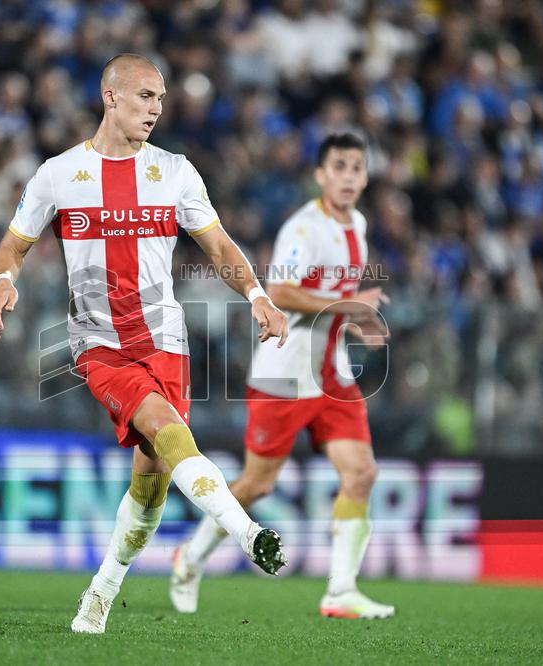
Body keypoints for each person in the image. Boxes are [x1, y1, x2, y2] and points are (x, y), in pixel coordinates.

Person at [0, 53, 289, 634]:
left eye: (162, 99)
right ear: (110, 97)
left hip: (165, 341)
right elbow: (12, 246)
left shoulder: (175, 171)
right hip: (100, 346)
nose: (156, 109)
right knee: (172, 433)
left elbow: (219, 248)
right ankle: (247, 532)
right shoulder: (59, 173)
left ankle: (100, 593)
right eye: (146, 96)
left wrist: (258, 297)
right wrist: (2, 282)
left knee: (150, 490)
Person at [170, 133, 395, 620]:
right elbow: (281, 291)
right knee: (256, 484)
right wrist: (348, 307)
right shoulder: (303, 228)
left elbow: (334, 304)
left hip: (331, 375)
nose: (349, 176)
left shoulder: (357, 223)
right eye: (339, 166)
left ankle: (340, 591)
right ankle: (190, 559)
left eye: (357, 167)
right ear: (320, 174)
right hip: (283, 376)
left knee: (361, 473)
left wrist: (357, 320)